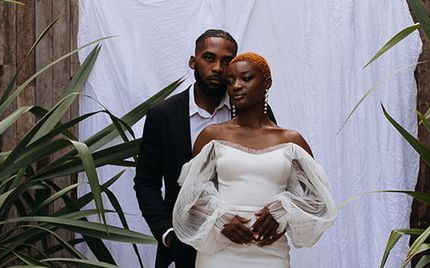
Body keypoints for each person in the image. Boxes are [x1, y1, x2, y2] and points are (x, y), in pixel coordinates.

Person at [172, 52, 336, 267]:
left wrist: (284, 209)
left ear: (266, 83)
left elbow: (319, 203)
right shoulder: (212, 136)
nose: (236, 86)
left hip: (270, 252)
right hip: (220, 253)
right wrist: (219, 219)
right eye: (230, 82)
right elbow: (190, 199)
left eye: (246, 79)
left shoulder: (291, 140)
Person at [134, 29, 240, 268]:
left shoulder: (247, 110)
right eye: (209, 58)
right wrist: (167, 232)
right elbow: (146, 181)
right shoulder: (163, 115)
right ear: (193, 61)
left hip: (241, 241)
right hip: (185, 243)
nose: (217, 68)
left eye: (227, 61)